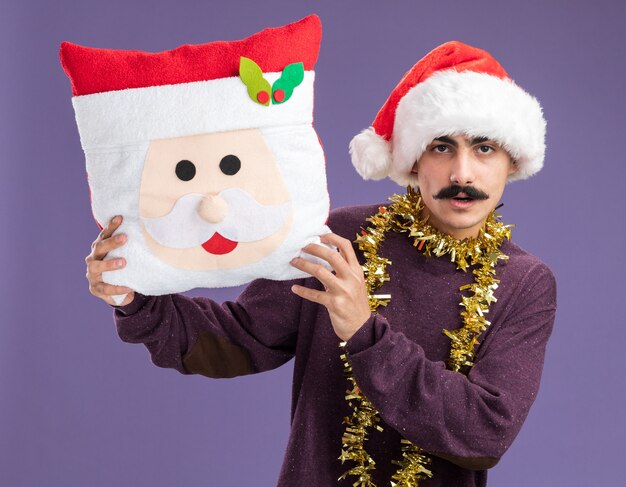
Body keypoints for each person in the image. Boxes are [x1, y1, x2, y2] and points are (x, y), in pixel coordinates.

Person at [85, 41, 556, 486]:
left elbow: (484, 432)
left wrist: (363, 332)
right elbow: (238, 339)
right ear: (413, 160)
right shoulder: (341, 237)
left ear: (511, 162)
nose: (461, 173)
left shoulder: (525, 283)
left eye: (484, 148)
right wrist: (135, 295)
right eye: (441, 146)